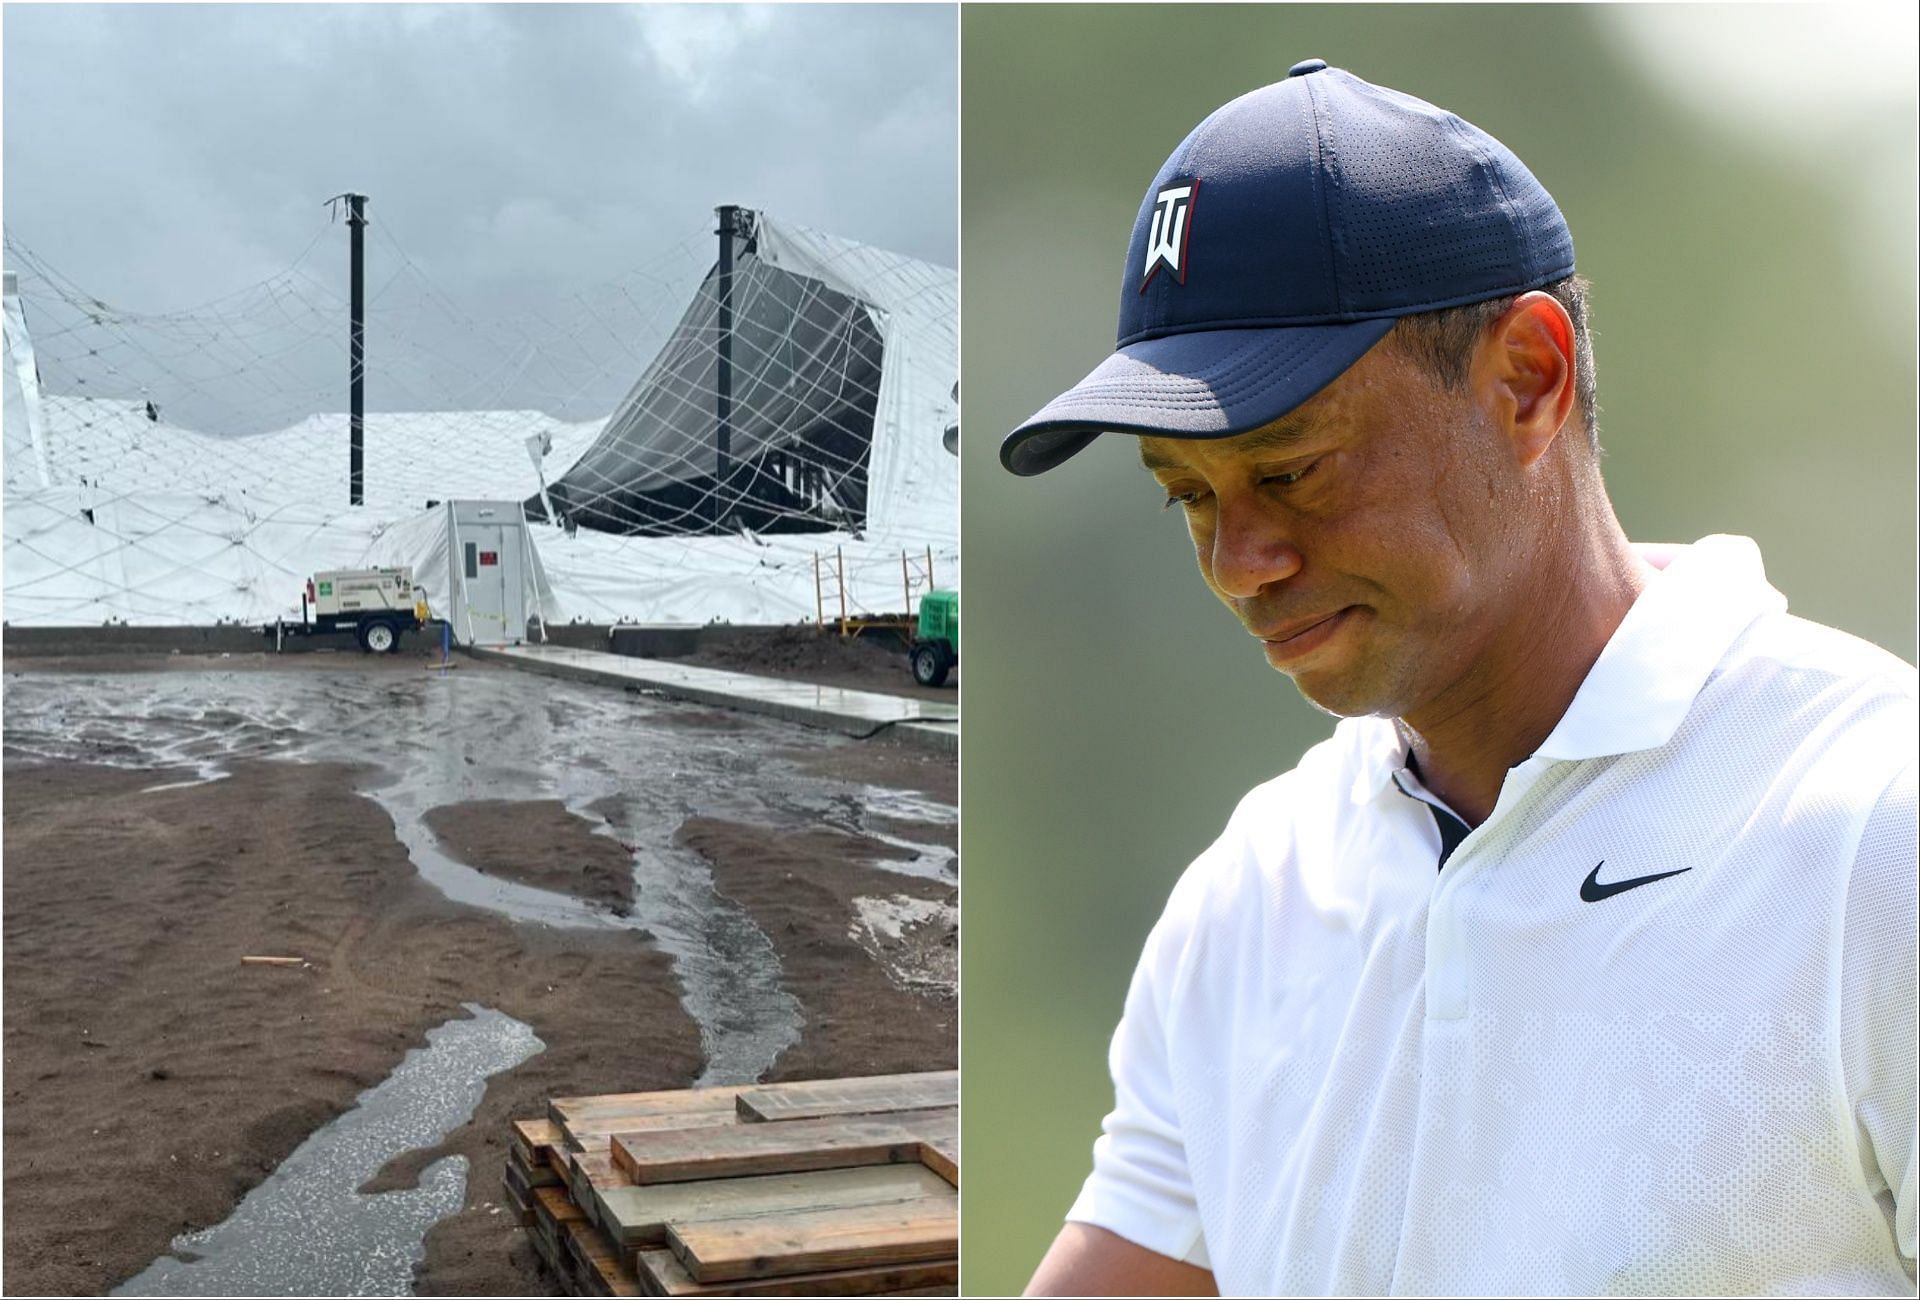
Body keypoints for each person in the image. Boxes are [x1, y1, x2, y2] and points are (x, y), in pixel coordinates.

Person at [1000, 61, 1915, 1296]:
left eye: (1294, 468)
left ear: (1526, 380)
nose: (1239, 563)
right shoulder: (1250, 895)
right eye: (1188, 495)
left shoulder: (1875, 832)